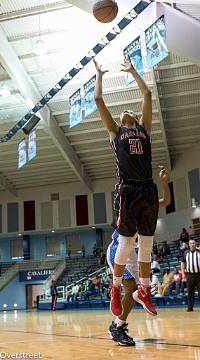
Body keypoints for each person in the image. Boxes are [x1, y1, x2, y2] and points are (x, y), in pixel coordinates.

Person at [94, 56, 165, 317]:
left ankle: (144, 290)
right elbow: (99, 101)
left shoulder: (144, 129)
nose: (126, 110)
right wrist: (100, 76)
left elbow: (146, 93)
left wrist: (133, 71)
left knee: (146, 245)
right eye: (123, 111)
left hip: (148, 188)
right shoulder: (115, 133)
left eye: (130, 110)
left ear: (135, 117)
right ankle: (115, 287)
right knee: (125, 244)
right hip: (128, 189)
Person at [107, 167, 170, 346]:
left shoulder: (145, 205)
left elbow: (166, 200)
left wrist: (164, 182)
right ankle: (117, 327)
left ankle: (118, 324)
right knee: (131, 288)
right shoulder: (125, 202)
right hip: (118, 250)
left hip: (132, 253)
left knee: (139, 290)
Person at [181, 239, 200, 311]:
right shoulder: (186, 253)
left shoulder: (199, 252)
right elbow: (182, 263)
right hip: (189, 275)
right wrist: (183, 274)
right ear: (189, 244)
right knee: (190, 292)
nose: (192, 244)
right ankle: (190, 307)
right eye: (191, 243)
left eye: (193, 243)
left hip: (199, 275)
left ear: (196, 244)